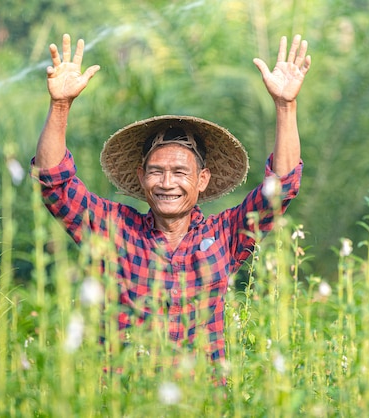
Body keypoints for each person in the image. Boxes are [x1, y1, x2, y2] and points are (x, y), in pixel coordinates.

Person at [32, 33, 311, 368]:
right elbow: (53, 182)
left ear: (202, 180)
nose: (167, 183)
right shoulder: (114, 229)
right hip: (128, 395)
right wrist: (60, 105)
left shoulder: (225, 235)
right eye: (157, 171)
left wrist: (286, 106)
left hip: (202, 400)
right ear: (140, 176)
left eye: (180, 172)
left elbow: (279, 190)